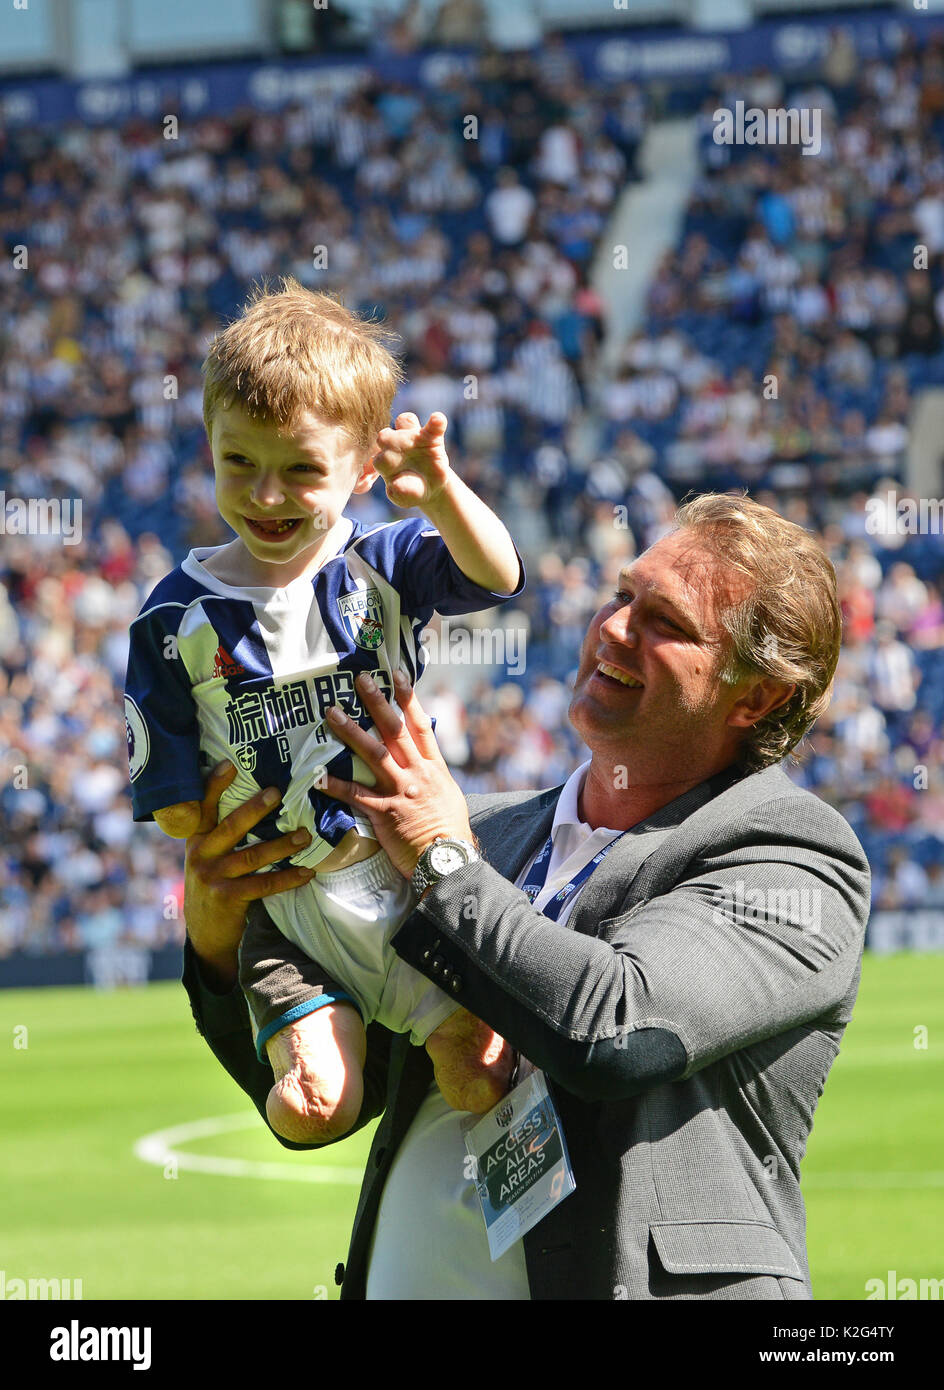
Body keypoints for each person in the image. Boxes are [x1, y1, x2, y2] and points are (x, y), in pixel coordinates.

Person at [181, 493, 870, 1300]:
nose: (614, 629)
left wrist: (442, 860)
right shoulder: (488, 830)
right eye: (622, 596)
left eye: (667, 624)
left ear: (755, 698)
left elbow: (617, 1030)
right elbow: (332, 1086)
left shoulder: (792, 852)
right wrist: (217, 939)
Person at [126, 277, 523, 1146]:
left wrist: (444, 493)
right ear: (209, 444)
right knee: (315, 1113)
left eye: (302, 469)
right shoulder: (171, 616)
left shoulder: (380, 562)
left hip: (416, 879)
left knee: (481, 1079)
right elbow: (176, 804)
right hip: (292, 905)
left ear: (364, 469)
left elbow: (496, 574)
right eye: (241, 462)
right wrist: (193, 821)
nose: (267, 496)